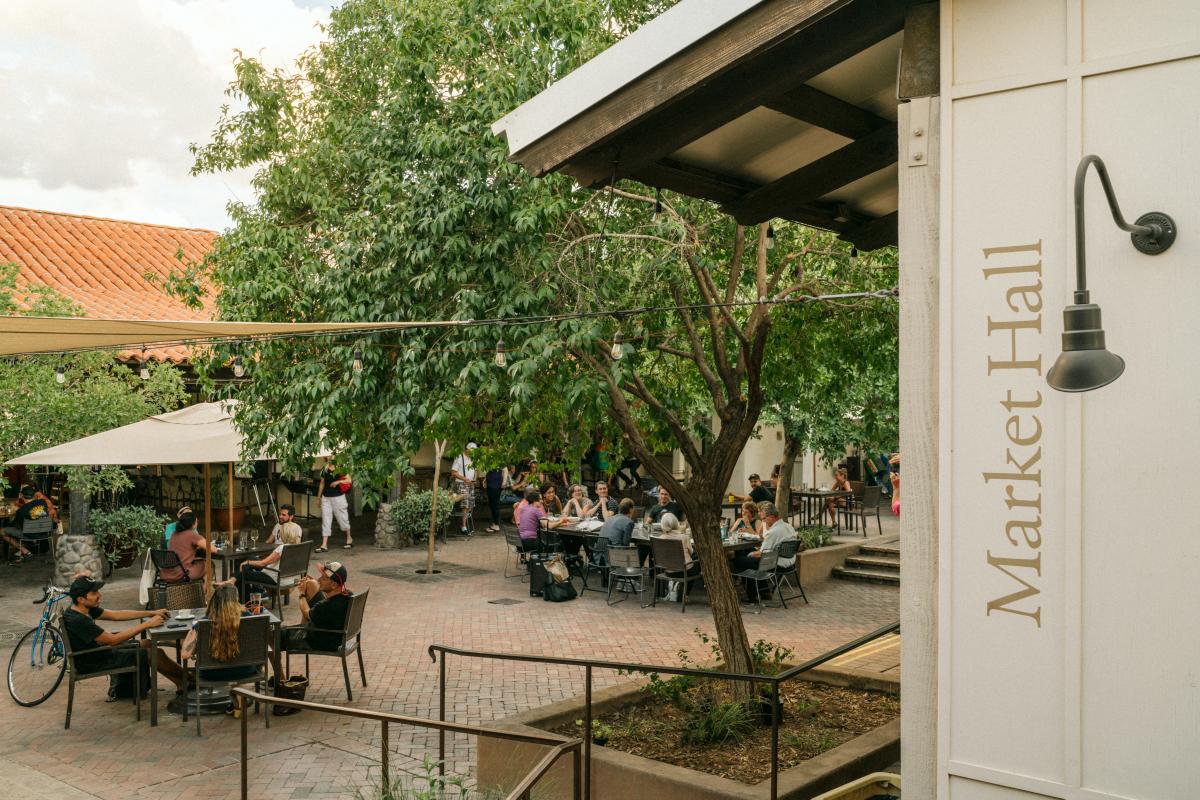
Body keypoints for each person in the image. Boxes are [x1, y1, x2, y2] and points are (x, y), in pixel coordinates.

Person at [61, 575, 186, 691]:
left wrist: (151, 612)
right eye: (94, 593)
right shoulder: (78, 619)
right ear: (81, 599)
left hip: (100, 652)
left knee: (147, 643)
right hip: (94, 661)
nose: (100, 595)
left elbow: (116, 615)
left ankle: (181, 683)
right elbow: (112, 640)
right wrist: (147, 624)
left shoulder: (83, 609)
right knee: (154, 653)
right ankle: (191, 680)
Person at [179, 584, 260, 714]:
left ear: (213, 601)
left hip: (212, 674)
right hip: (244, 670)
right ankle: (237, 698)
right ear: (236, 599)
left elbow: (185, 655)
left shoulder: (203, 624)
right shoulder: (248, 617)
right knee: (237, 656)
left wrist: (191, 633)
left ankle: (236, 701)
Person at [282, 562, 354, 654]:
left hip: (318, 641)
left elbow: (306, 613)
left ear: (334, 585)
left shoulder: (326, 606)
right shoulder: (348, 594)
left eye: (323, 578)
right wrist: (314, 582)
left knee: (273, 634)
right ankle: (300, 629)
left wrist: (302, 593)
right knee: (311, 584)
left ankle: (275, 668)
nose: (319, 579)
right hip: (336, 636)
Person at [731, 503, 797, 601]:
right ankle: (765, 592)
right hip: (790, 562)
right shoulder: (788, 526)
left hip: (776, 564)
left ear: (771, 517)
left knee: (739, 561)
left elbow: (761, 554)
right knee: (749, 558)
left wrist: (750, 555)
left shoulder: (774, 531)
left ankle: (752, 596)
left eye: (764, 519)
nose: (763, 521)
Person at [240, 520, 302, 602]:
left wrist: (247, 562)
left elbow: (263, 563)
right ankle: (258, 593)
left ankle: (246, 600)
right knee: (252, 558)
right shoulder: (299, 547)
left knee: (243, 572)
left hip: (276, 578)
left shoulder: (282, 548)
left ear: (284, 534)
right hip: (289, 579)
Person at [3, 485, 54, 563]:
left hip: (29, 534)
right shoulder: (43, 502)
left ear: (22, 496)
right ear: (34, 495)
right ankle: (24, 549)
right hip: (44, 532)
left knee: (2, 531)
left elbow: (17, 525)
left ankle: (25, 551)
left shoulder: (21, 511)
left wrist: (15, 511)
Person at [163, 511, 217, 583]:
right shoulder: (192, 535)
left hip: (166, 573)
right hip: (181, 573)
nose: (197, 523)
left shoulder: (174, 534)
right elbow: (213, 549)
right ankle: (203, 592)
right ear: (193, 524)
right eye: (196, 521)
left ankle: (197, 589)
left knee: (199, 562)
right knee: (210, 565)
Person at [655, 513, 701, 598]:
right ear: (676, 523)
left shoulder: (660, 538)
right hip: (684, 571)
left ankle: (673, 588)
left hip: (668, 571)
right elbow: (691, 553)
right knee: (698, 562)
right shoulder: (684, 537)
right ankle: (685, 594)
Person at [316, 463, 353, 552]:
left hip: (338, 497)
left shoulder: (341, 467)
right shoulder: (324, 469)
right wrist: (318, 497)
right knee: (326, 520)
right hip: (326, 498)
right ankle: (324, 544)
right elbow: (322, 483)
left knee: (343, 519)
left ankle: (349, 538)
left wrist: (338, 482)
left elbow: (349, 480)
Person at [593, 498, 636, 562]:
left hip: (599, 556)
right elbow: (625, 544)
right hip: (615, 557)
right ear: (631, 509)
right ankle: (636, 569)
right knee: (640, 550)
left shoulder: (609, 519)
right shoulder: (629, 522)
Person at [450, 443, 478, 537]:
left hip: (470, 484)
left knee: (470, 504)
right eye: (471, 451)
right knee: (465, 504)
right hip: (461, 483)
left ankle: (465, 523)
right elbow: (453, 473)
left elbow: (475, 470)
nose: (472, 453)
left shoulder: (473, 458)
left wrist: (474, 479)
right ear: (466, 449)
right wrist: (464, 479)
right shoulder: (459, 457)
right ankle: (464, 526)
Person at [484, 466, 504, 533]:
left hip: (495, 485)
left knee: (495, 505)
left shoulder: (498, 458)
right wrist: (485, 479)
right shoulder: (491, 459)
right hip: (491, 485)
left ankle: (496, 525)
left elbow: (505, 470)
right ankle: (495, 524)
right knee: (492, 505)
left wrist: (503, 483)